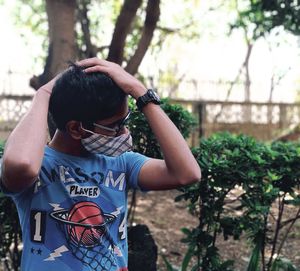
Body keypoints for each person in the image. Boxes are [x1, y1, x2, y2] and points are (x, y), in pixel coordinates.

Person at [0, 58, 201, 271]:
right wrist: (43, 95)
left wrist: (141, 93)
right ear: (76, 129)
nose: (125, 134)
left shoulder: (122, 163)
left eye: (125, 122)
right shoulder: (39, 166)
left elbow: (187, 173)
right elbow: (21, 164)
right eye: (115, 126)